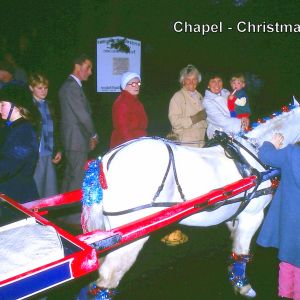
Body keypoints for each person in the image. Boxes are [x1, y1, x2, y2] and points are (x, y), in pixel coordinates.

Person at [257, 133, 300, 300]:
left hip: (290, 223)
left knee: (287, 263)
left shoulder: (291, 153)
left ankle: (284, 295)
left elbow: (265, 155)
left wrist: (270, 143)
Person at [59, 54, 98, 192]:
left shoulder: (71, 86)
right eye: (88, 68)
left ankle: (63, 212)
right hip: (76, 141)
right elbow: (83, 116)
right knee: (77, 180)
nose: (90, 72)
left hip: (73, 141)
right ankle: (74, 213)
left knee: (69, 177)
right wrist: (93, 135)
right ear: (77, 66)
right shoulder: (72, 87)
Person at [0, 84, 39, 203]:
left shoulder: (24, 132)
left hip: (18, 197)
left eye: (2, 104)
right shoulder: (9, 127)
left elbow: (8, 166)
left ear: (16, 107)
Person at [29, 73, 62, 198]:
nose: (43, 91)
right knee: (35, 190)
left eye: (45, 88)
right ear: (31, 88)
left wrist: (58, 149)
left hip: (48, 153)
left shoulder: (49, 105)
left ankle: (45, 216)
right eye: (39, 88)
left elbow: (54, 130)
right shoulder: (28, 107)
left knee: (50, 191)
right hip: (36, 154)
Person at [168, 64, 207, 147]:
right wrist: (195, 118)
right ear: (183, 81)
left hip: (201, 143)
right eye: (188, 79)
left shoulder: (200, 96)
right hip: (185, 144)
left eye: (194, 79)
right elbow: (175, 122)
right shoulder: (177, 97)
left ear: (198, 81)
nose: (191, 82)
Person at [203, 74, 249, 139]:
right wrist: (240, 122)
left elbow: (238, 107)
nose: (217, 84)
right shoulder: (207, 101)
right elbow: (220, 120)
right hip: (219, 136)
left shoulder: (226, 92)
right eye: (213, 81)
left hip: (236, 132)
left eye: (219, 81)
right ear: (208, 85)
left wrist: (244, 116)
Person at [110, 71, 148, 148]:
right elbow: (123, 129)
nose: (137, 86)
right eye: (133, 84)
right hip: (124, 144)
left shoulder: (137, 102)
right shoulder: (121, 103)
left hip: (137, 141)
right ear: (125, 86)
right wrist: (134, 145)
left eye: (138, 83)